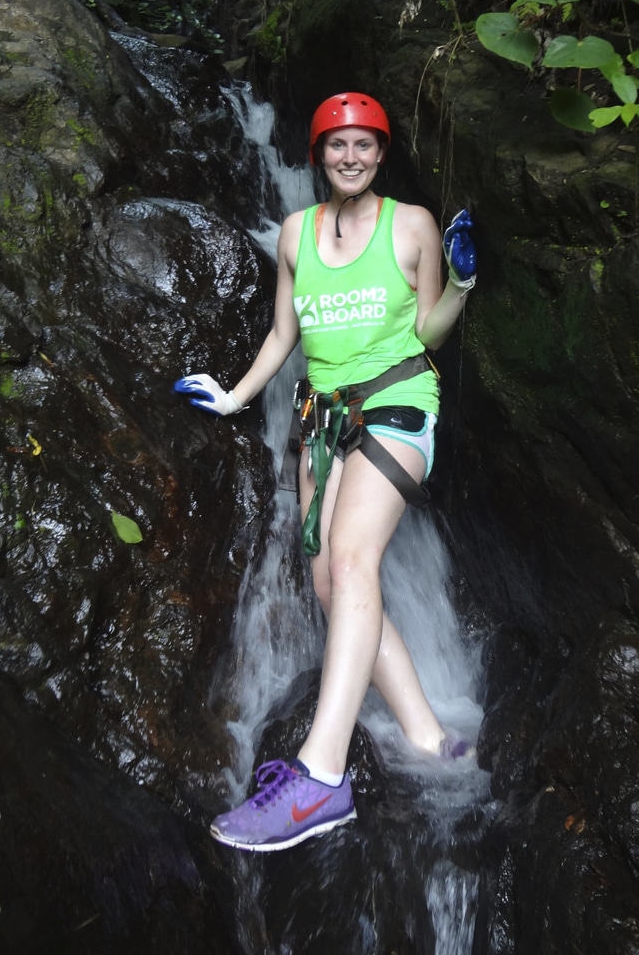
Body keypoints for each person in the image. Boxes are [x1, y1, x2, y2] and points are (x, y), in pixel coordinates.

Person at [175, 92, 477, 853]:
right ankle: (431, 737)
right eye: (337, 145)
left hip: (400, 400)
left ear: (381, 153)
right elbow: (285, 332)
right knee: (327, 583)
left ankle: (321, 776)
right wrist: (235, 395)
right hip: (323, 418)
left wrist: (463, 284)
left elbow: (431, 328)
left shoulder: (412, 225)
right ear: (318, 154)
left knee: (352, 559)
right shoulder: (294, 232)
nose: (350, 156)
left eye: (364, 145)